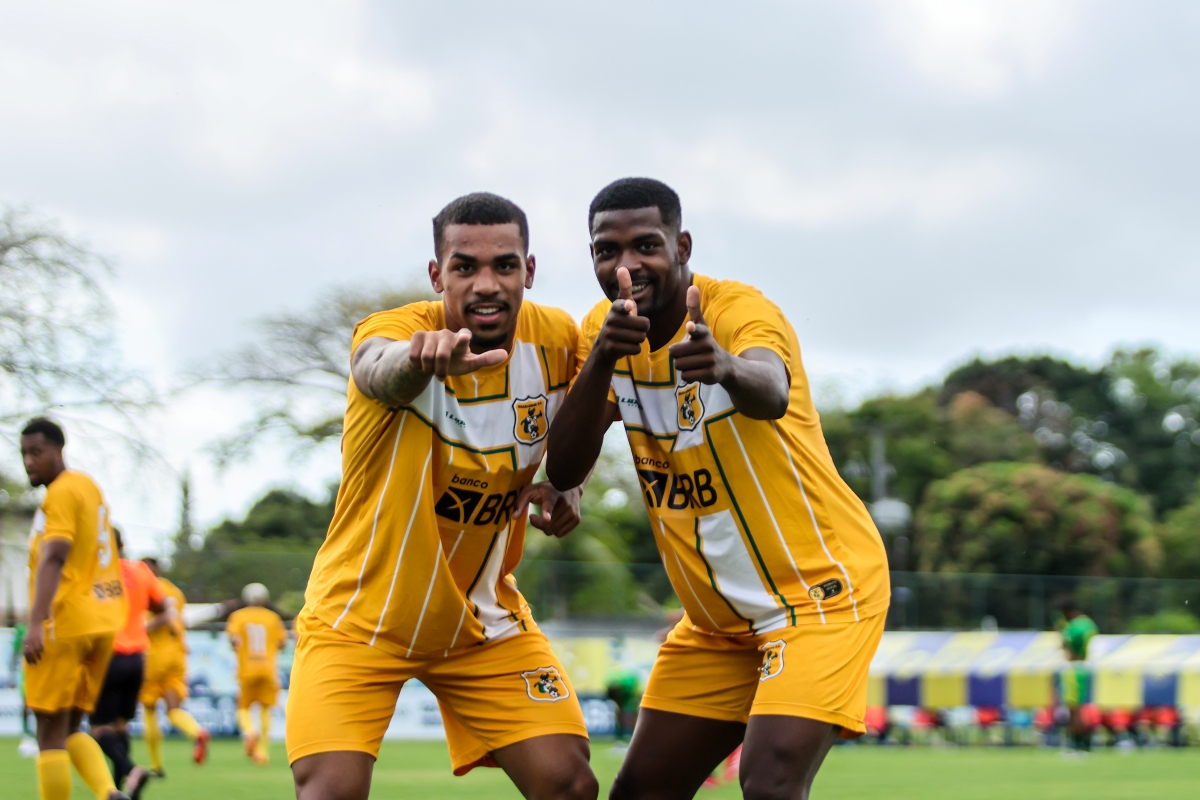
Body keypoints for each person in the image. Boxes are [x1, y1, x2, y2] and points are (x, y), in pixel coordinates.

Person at [547, 178, 891, 800]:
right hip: (714, 625)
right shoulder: (605, 329)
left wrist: (725, 367)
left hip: (817, 595)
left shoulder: (737, 313)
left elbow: (772, 388)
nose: (626, 265)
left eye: (646, 245)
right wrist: (599, 360)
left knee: (769, 783)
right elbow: (565, 468)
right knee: (640, 793)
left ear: (681, 245)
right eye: (606, 250)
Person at [287, 192, 597, 800]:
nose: (487, 283)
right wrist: (416, 363)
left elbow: (598, 409)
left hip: (480, 621)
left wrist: (569, 482)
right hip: (360, 619)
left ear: (528, 271)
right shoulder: (399, 333)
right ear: (437, 275)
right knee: (329, 793)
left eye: (504, 265)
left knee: (569, 783)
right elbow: (375, 367)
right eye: (465, 267)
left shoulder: (558, 339)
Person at [20, 417, 130, 800]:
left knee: (48, 734)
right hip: (100, 620)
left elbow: (56, 554)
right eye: (24, 454)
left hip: (63, 622)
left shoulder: (61, 493)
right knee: (70, 728)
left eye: (37, 452)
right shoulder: (89, 486)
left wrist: (36, 623)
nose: (29, 462)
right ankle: (108, 792)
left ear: (58, 451)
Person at [139, 557, 210, 775]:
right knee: (173, 710)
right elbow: (180, 621)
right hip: (176, 656)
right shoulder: (176, 592)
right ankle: (196, 732)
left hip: (153, 656)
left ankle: (156, 765)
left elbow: (158, 618)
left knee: (150, 710)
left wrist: (141, 630)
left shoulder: (143, 587)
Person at [226, 583, 288, 765]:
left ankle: (250, 731)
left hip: (247, 668)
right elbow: (282, 642)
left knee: (243, 707)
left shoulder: (238, 616)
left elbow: (233, 639)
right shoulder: (273, 617)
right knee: (265, 709)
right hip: (268, 668)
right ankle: (262, 752)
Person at [1058, 598, 1097, 752]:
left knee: (1074, 709)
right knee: (1083, 707)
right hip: (1089, 668)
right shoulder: (1089, 624)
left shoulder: (1072, 627)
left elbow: (1067, 648)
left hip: (1075, 669)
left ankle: (1077, 744)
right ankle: (1085, 743)